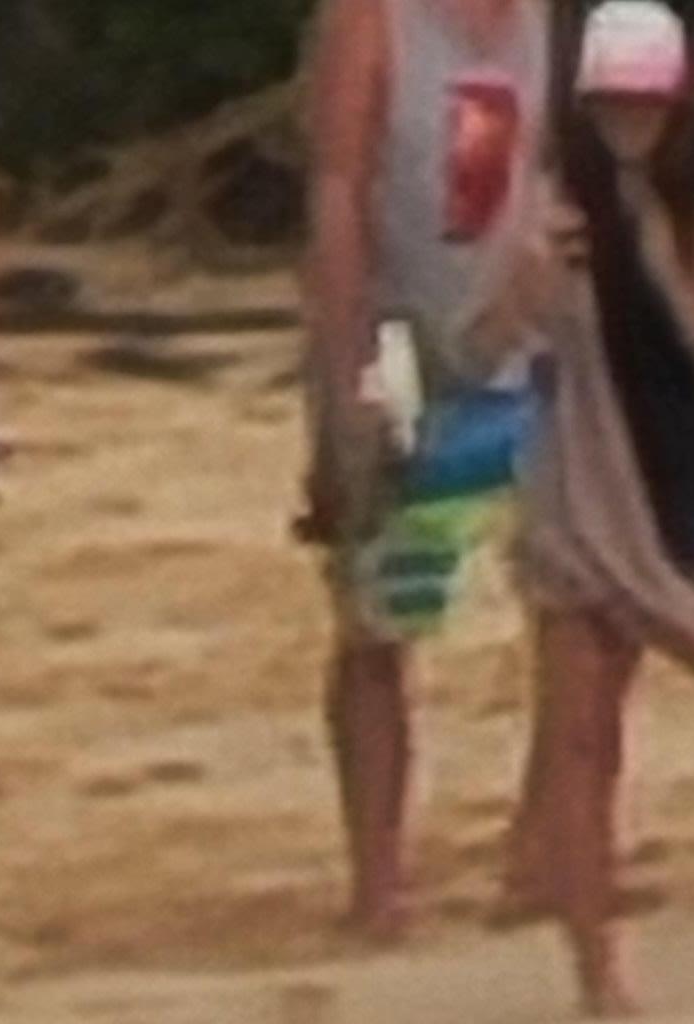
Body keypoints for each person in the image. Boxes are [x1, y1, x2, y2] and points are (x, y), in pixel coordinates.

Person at [463, 0, 694, 1012]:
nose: (628, 126)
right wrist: (522, 286)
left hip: (684, 502)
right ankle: (598, 975)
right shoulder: (547, 207)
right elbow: (473, 354)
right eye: (611, 107)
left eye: (644, 107)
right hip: (578, 496)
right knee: (582, 746)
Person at [302, 0, 554, 938]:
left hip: (523, 335)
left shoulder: (536, 18)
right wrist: (351, 360)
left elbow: (548, 163)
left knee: (573, 595)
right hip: (402, 337)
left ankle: (542, 854)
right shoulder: (372, 20)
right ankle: (379, 883)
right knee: (383, 607)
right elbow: (339, 188)